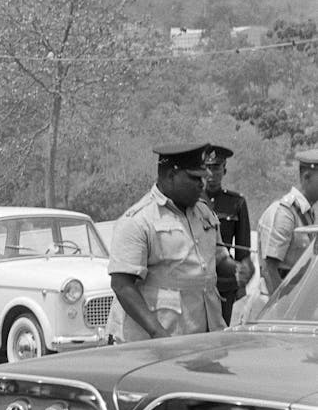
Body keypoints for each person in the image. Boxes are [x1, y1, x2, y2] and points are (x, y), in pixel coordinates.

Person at [106, 143, 251, 343]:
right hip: (153, 343)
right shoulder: (139, 221)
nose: (203, 183)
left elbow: (216, 257)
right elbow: (122, 285)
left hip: (202, 337)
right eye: (195, 178)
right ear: (170, 176)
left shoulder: (204, 214)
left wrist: (236, 268)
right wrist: (158, 333)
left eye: (203, 176)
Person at [202, 145, 252, 324]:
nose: (211, 174)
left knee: (222, 336)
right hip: (198, 282)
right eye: (207, 168)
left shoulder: (236, 202)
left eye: (216, 168)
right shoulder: (191, 200)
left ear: (224, 170)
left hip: (225, 284)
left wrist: (241, 286)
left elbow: (243, 252)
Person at [257, 148, 318, 295]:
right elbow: (269, 269)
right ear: (306, 177)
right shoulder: (284, 214)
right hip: (278, 306)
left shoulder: (307, 213)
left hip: (297, 301)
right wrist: (281, 308)